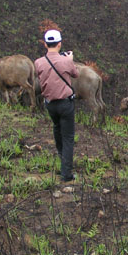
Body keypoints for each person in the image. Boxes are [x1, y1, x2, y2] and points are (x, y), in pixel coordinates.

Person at [34, 29, 79, 182]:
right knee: (68, 137)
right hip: (66, 104)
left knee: (57, 130)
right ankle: (66, 173)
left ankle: (62, 162)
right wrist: (70, 59)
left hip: (50, 105)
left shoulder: (38, 62)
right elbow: (75, 74)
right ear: (60, 44)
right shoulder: (66, 61)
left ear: (45, 44)